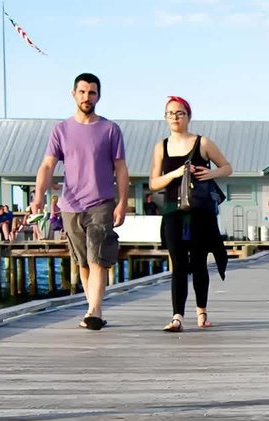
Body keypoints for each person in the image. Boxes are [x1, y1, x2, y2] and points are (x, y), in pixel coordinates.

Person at [31, 72, 129, 330]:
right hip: (70, 206)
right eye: (83, 92)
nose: (87, 97)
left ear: (99, 96)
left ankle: (94, 311)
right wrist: (39, 195)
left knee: (98, 257)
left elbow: (120, 168)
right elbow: (47, 165)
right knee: (83, 262)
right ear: (73, 94)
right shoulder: (61, 130)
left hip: (101, 202)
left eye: (92, 92)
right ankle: (92, 309)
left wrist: (122, 202)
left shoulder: (110, 129)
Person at [146, 95, 232, 333]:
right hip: (173, 211)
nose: (175, 117)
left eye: (180, 113)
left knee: (199, 263)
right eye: (170, 114)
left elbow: (227, 167)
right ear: (165, 118)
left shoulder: (202, 143)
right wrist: (174, 174)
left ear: (188, 116)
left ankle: (201, 312)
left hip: (200, 211)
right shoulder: (160, 146)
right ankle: (177, 317)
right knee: (179, 264)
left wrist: (208, 173)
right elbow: (153, 183)